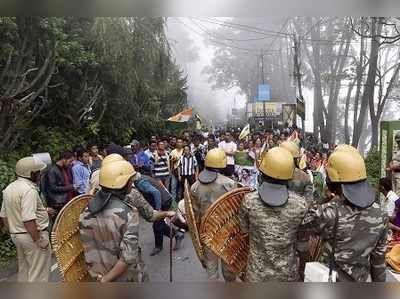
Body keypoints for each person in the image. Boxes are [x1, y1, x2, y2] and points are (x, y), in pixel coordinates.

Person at [299, 148, 389, 282]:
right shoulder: (381, 214)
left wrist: (327, 199)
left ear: (333, 183)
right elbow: (379, 262)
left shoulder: (330, 212)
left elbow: (304, 224)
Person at [79, 160, 175, 282]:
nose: (132, 182)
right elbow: (128, 257)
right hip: (124, 277)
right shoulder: (128, 213)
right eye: (130, 180)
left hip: (97, 275)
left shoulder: (84, 211)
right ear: (122, 183)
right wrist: (105, 280)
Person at [238, 147, 307, 282]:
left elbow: (244, 231)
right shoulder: (301, 205)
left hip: (256, 277)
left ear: (262, 173)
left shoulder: (249, 201)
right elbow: (302, 245)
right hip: (288, 277)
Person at [0, 157, 52, 282]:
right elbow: (28, 219)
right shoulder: (29, 190)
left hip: (18, 236)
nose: (40, 175)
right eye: (38, 172)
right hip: (32, 236)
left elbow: (3, 216)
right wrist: (39, 240)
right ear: (31, 173)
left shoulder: (9, 188)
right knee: (39, 276)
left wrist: (14, 232)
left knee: (25, 272)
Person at [190, 148, 236, 282]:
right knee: (229, 271)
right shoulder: (230, 184)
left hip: (207, 233)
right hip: (227, 232)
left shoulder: (194, 187)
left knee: (211, 271)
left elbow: (195, 217)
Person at [133, 173, 183, 255]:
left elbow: (156, 193)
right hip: (165, 200)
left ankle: (159, 246)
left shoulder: (140, 183)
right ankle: (177, 235)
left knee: (157, 226)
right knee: (160, 224)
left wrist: (158, 209)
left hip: (163, 202)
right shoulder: (142, 177)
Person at [46, 151, 78, 217]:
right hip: (58, 202)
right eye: (70, 161)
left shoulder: (67, 168)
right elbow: (53, 187)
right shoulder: (52, 170)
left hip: (67, 200)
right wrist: (70, 187)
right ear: (64, 159)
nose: (71, 163)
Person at [169, 138, 184, 202]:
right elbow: (170, 161)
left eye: (180, 142)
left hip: (182, 172)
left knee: (180, 188)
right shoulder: (173, 151)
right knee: (173, 187)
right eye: (178, 142)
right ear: (176, 143)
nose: (179, 143)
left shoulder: (184, 150)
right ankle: (173, 202)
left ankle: (179, 201)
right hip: (174, 172)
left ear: (182, 143)